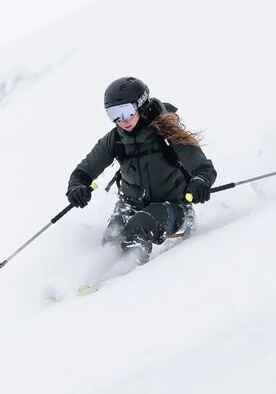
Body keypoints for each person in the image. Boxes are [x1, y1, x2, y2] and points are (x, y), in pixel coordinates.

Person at [65, 76, 217, 259]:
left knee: (138, 227)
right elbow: (83, 172)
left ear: (141, 106)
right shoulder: (115, 140)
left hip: (173, 206)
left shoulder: (167, 132)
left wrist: (200, 182)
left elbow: (203, 168)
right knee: (113, 237)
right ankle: (99, 279)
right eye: (113, 114)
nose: (122, 120)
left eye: (127, 111)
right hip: (131, 204)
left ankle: (128, 277)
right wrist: (77, 188)